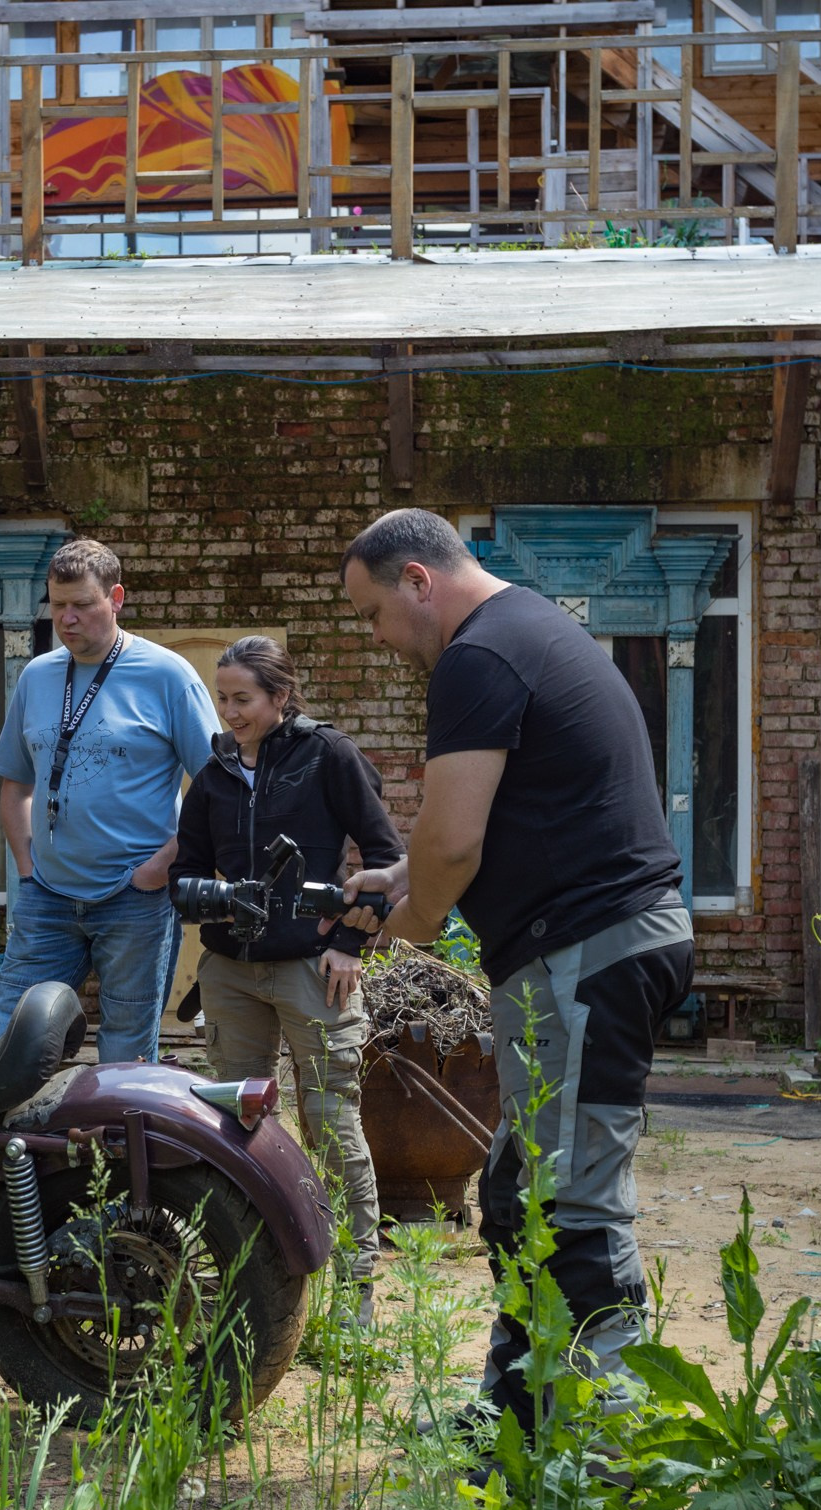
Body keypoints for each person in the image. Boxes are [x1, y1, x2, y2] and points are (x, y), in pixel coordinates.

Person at [335, 508, 692, 1437]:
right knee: (515, 1191)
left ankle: (604, 1433)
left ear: (418, 581)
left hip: (588, 952)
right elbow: (503, 818)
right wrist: (401, 878)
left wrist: (408, 919)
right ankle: (523, 1406)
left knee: (571, 1198)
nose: (377, 638)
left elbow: (455, 843)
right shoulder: (526, 630)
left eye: (374, 614)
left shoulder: (478, 655)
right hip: (587, 946)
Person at [173, 636, 401, 1311]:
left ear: (280, 696)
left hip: (314, 966)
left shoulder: (328, 755)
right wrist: (214, 898)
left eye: (242, 698)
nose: (230, 712)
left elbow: (385, 853)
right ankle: (254, 1278)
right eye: (222, 698)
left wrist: (351, 944)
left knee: (330, 1120)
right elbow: (186, 871)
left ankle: (354, 1288)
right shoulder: (213, 774)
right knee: (233, 1124)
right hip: (231, 972)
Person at [0, 540, 217, 1064]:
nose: (67, 619)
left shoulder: (169, 675)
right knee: (0, 1042)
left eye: (82, 605)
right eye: (57, 605)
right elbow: (15, 786)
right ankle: (11, 1124)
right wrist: (27, 870)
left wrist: (158, 871)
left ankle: (118, 1125)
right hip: (47, 895)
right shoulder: (37, 676)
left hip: (135, 898)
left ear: (116, 598)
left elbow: (218, 792)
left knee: (125, 1054)